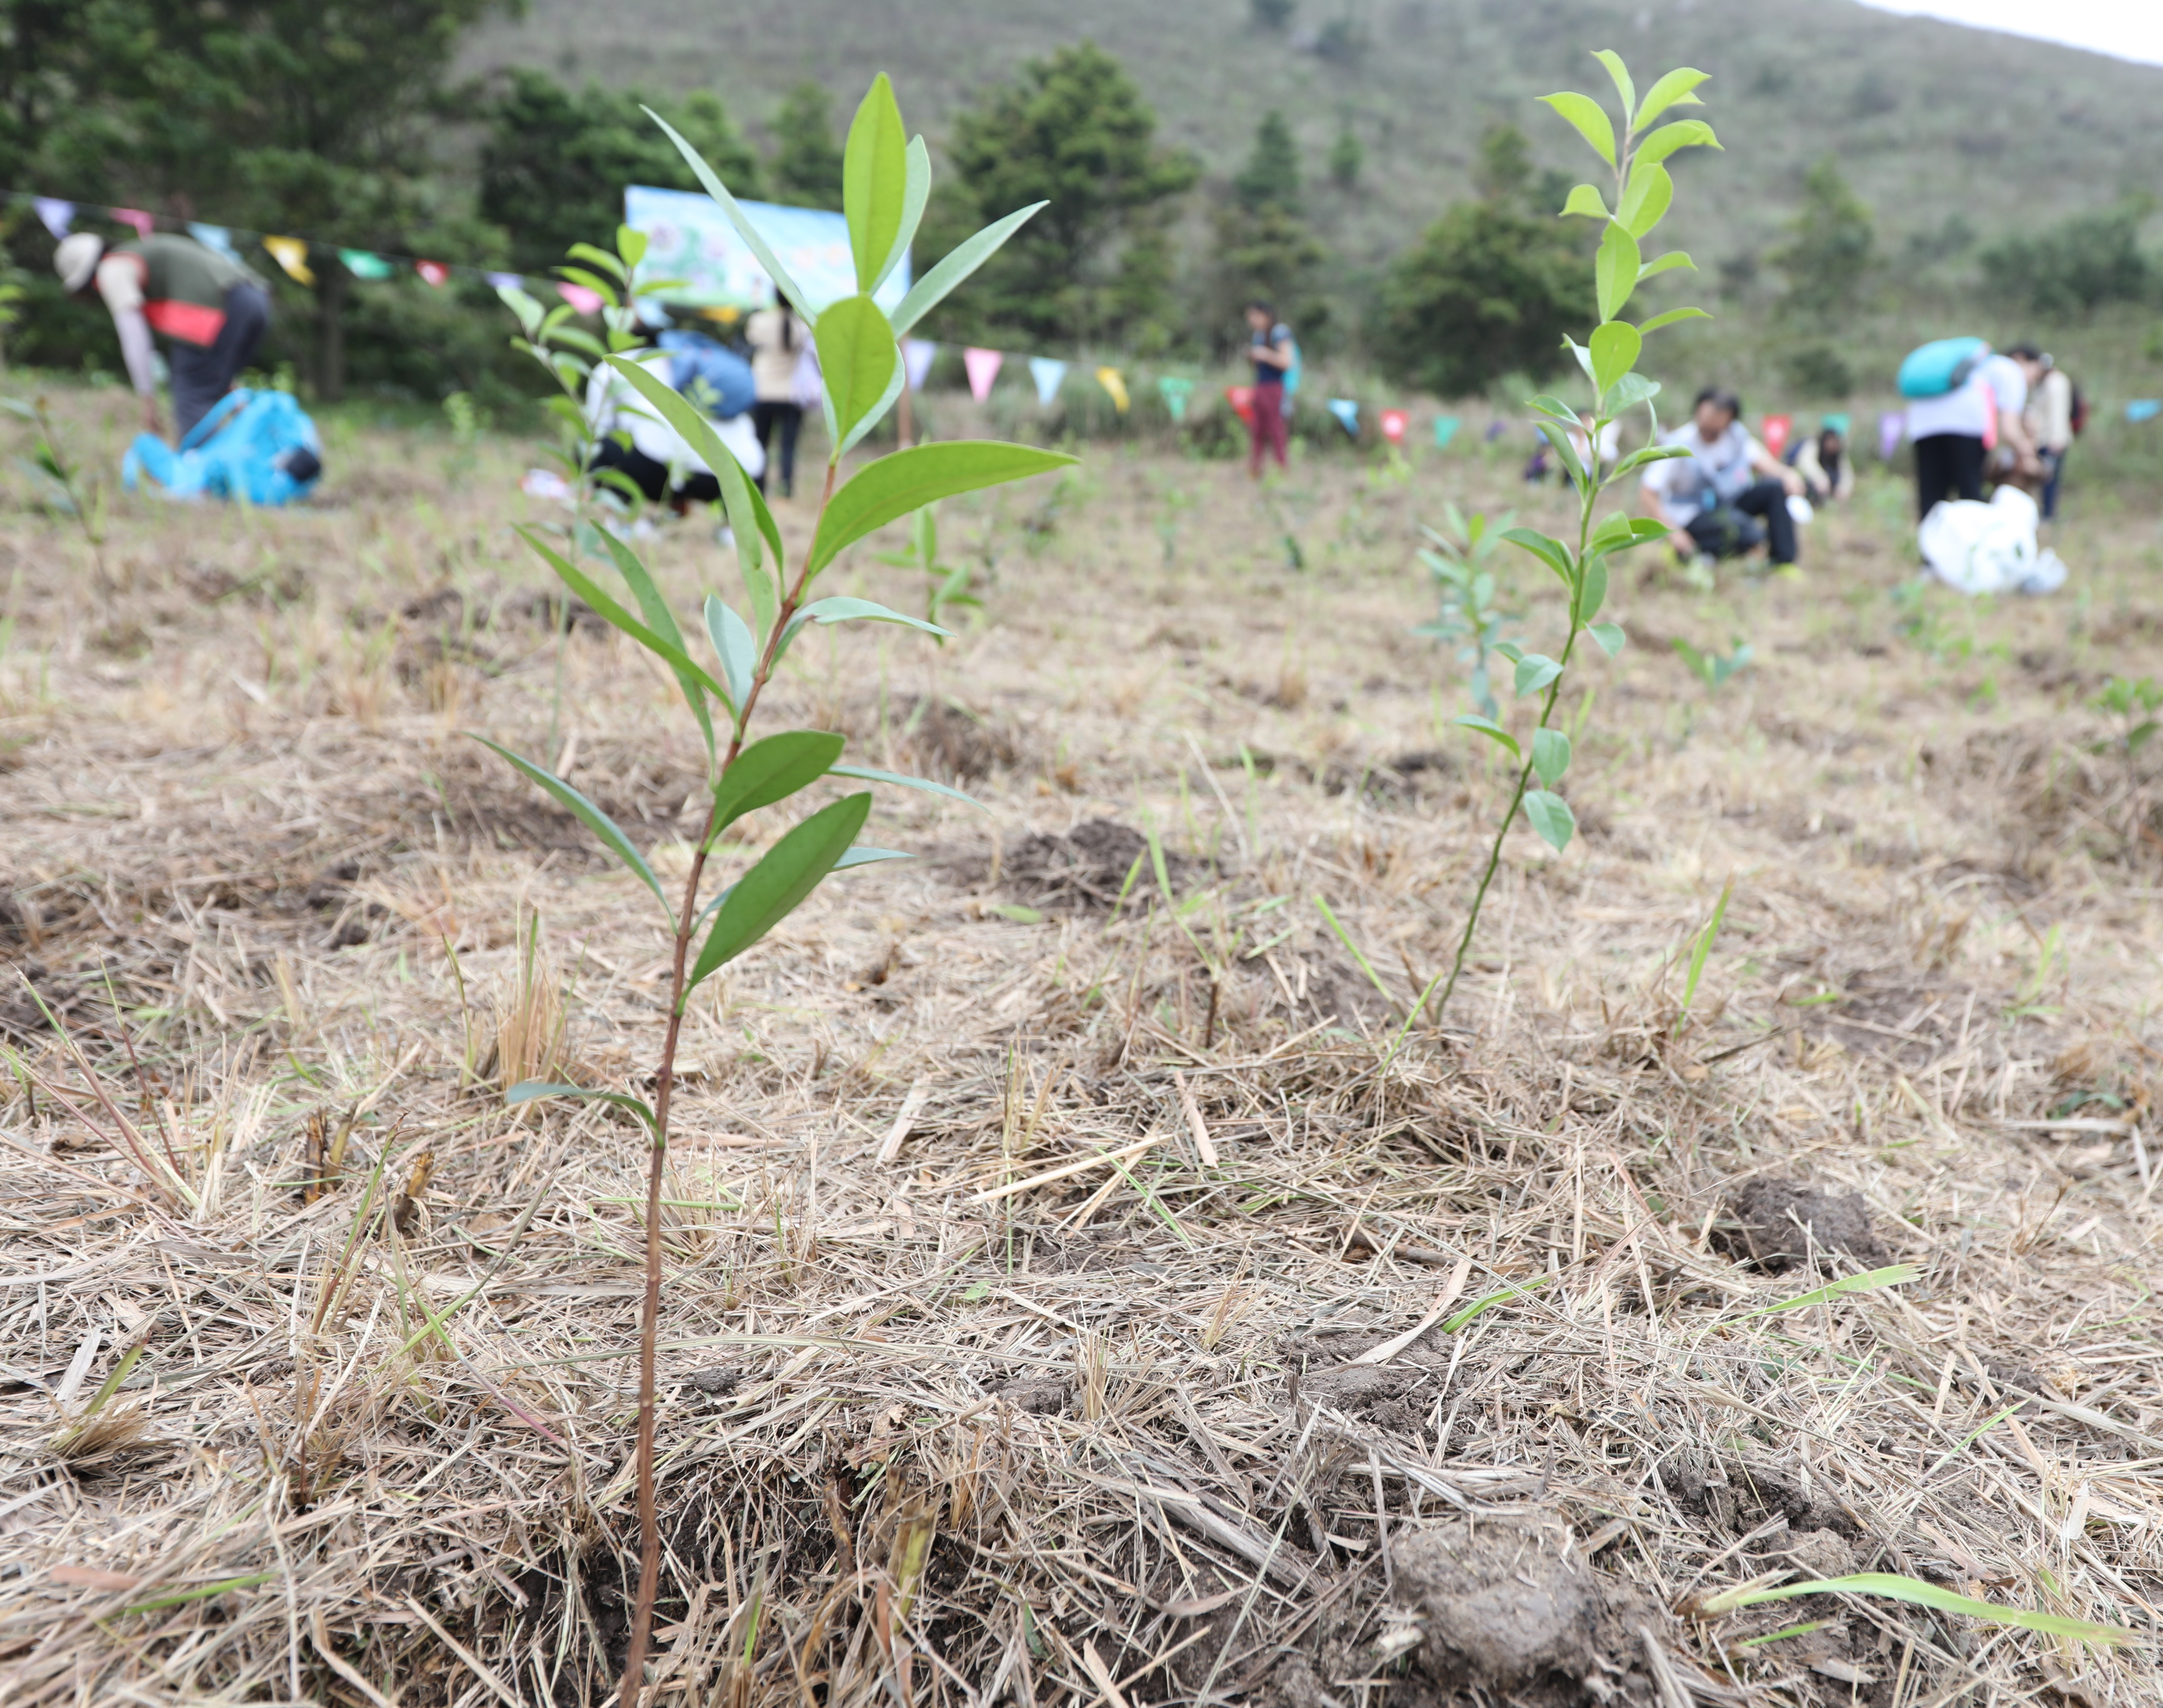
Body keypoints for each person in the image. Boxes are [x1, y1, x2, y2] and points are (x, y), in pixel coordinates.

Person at [54, 227, 271, 442]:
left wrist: (147, 403)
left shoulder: (111, 269)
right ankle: (273, 452)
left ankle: (200, 473)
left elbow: (135, 338)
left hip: (219, 309)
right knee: (207, 388)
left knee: (192, 399)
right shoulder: (138, 253)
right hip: (255, 300)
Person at [584, 341, 763, 514]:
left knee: (592, 447)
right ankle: (728, 533)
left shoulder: (612, 367)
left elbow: (599, 428)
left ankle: (624, 519)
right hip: (741, 477)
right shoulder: (716, 367)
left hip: (657, 473)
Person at [1639, 388, 1807, 569]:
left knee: (1775, 488)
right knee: (1748, 533)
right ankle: (1689, 552)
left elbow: (1762, 463)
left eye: (1717, 425)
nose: (1711, 430)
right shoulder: (1679, 444)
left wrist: (1788, 475)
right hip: (1694, 513)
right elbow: (1648, 490)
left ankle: (1784, 563)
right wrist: (1673, 533)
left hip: (1730, 502)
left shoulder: (1735, 437)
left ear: (1729, 420)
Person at [1907, 343, 2039, 519]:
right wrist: (2030, 456)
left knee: (1931, 494)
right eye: (2036, 373)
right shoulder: (2011, 371)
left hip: (1923, 422)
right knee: (1970, 493)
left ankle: (1929, 541)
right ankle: (1976, 542)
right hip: (1966, 425)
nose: (2033, 381)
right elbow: (2010, 430)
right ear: (2021, 359)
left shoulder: (1981, 367)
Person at [744, 299, 808, 496]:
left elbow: (750, 337)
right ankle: (786, 488)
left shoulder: (761, 321)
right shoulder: (802, 325)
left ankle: (758, 487)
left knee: (761, 444)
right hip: (791, 395)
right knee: (788, 446)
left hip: (764, 392)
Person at [2019, 346, 2075, 521]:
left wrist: (2056, 441)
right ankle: (2043, 512)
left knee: (2050, 479)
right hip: (2042, 439)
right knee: (2041, 478)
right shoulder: (2043, 384)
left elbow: (2058, 414)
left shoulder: (2056, 383)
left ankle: (2049, 514)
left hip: (2053, 441)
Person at [1243, 301, 1293, 478]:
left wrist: (1264, 354)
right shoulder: (1258, 335)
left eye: (1254, 316)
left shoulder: (1280, 332)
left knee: (1275, 428)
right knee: (1257, 428)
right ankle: (1256, 469)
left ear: (1265, 315)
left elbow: (1287, 362)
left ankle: (1281, 470)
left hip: (1275, 388)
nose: (1251, 320)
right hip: (1260, 387)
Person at [1788, 422, 1853, 504]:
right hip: (1806, 480)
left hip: (1829, 487)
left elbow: (1846, 473)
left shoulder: (1838, 454)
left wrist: (1843, 489)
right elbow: (1806, 463)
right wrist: (1820, 478)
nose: (1832, 444)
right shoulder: (1813, 445)